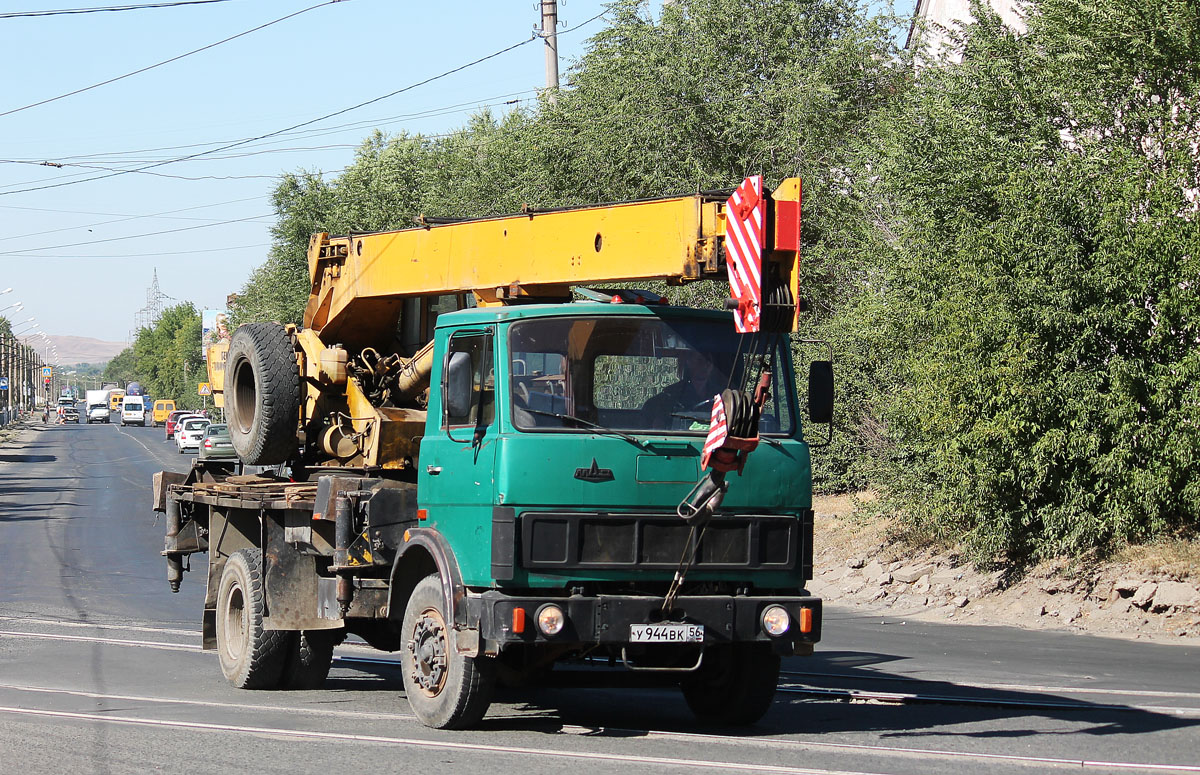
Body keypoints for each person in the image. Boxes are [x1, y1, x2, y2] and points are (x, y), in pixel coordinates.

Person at [641, 350, 724, 429]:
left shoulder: (721, 395)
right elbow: (657, 427)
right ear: (689, 362)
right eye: (700, 360)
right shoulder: (670, 394)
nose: (705, 365)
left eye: (709, 361)